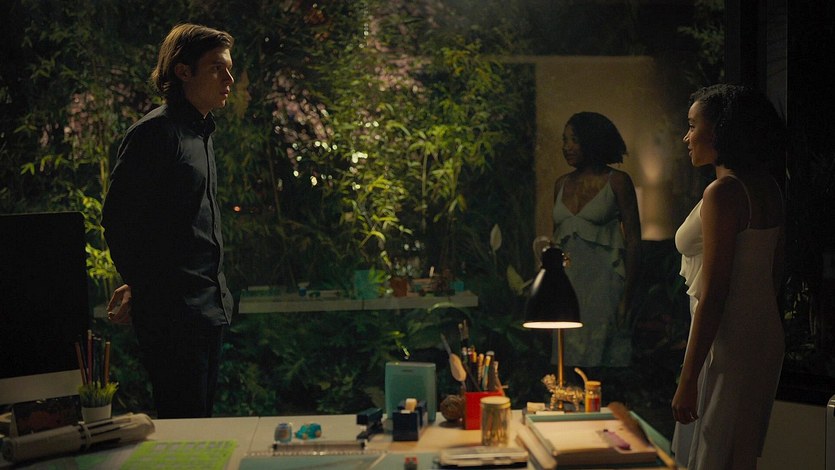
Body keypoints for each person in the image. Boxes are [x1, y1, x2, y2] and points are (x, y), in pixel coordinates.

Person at [101, 23, 236, 419]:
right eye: (217, 68)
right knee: (183, 428)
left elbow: (177, 226)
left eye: (229, 69)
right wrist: (144, 287)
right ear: (183, 71)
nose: (228, 79)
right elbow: (119, 220)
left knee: (200, 427)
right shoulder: (156, 133)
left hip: (210, 307)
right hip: (175, 315)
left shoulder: (201, 133)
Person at [671, 84, 786, 469]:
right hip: (762, 334)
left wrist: (688, 380)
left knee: (709, 455)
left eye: (692, 126)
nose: (686, 137)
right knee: (737, 456)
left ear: (721, 130)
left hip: (726, 340)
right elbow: (774, 274)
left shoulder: (723, 193)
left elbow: (715, 293)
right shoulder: (769, 187)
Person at [551, 112, 642, 369]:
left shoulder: (618, 182)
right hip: (568, 288)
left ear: (592, 141)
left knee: (604, 364)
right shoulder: (560, 184)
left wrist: (627, 297)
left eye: (574, 140)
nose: (566, 147)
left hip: (605, 287)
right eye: (564, 140)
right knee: (567, 363)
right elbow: (555, 243)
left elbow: (634, 242)